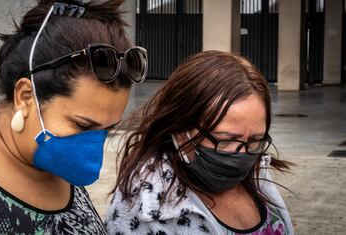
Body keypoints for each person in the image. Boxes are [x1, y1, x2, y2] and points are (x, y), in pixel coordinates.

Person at [0, 0, 147, 234]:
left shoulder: (57, 164)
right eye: (83, 126)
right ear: (25, 97)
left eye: (108, 129)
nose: (93, 147)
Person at [105, 50, 293, 235]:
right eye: (226, 140)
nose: (241, 154)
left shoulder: (258, 172)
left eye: (255, 140)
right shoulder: (143, 208)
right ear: (179, 131)